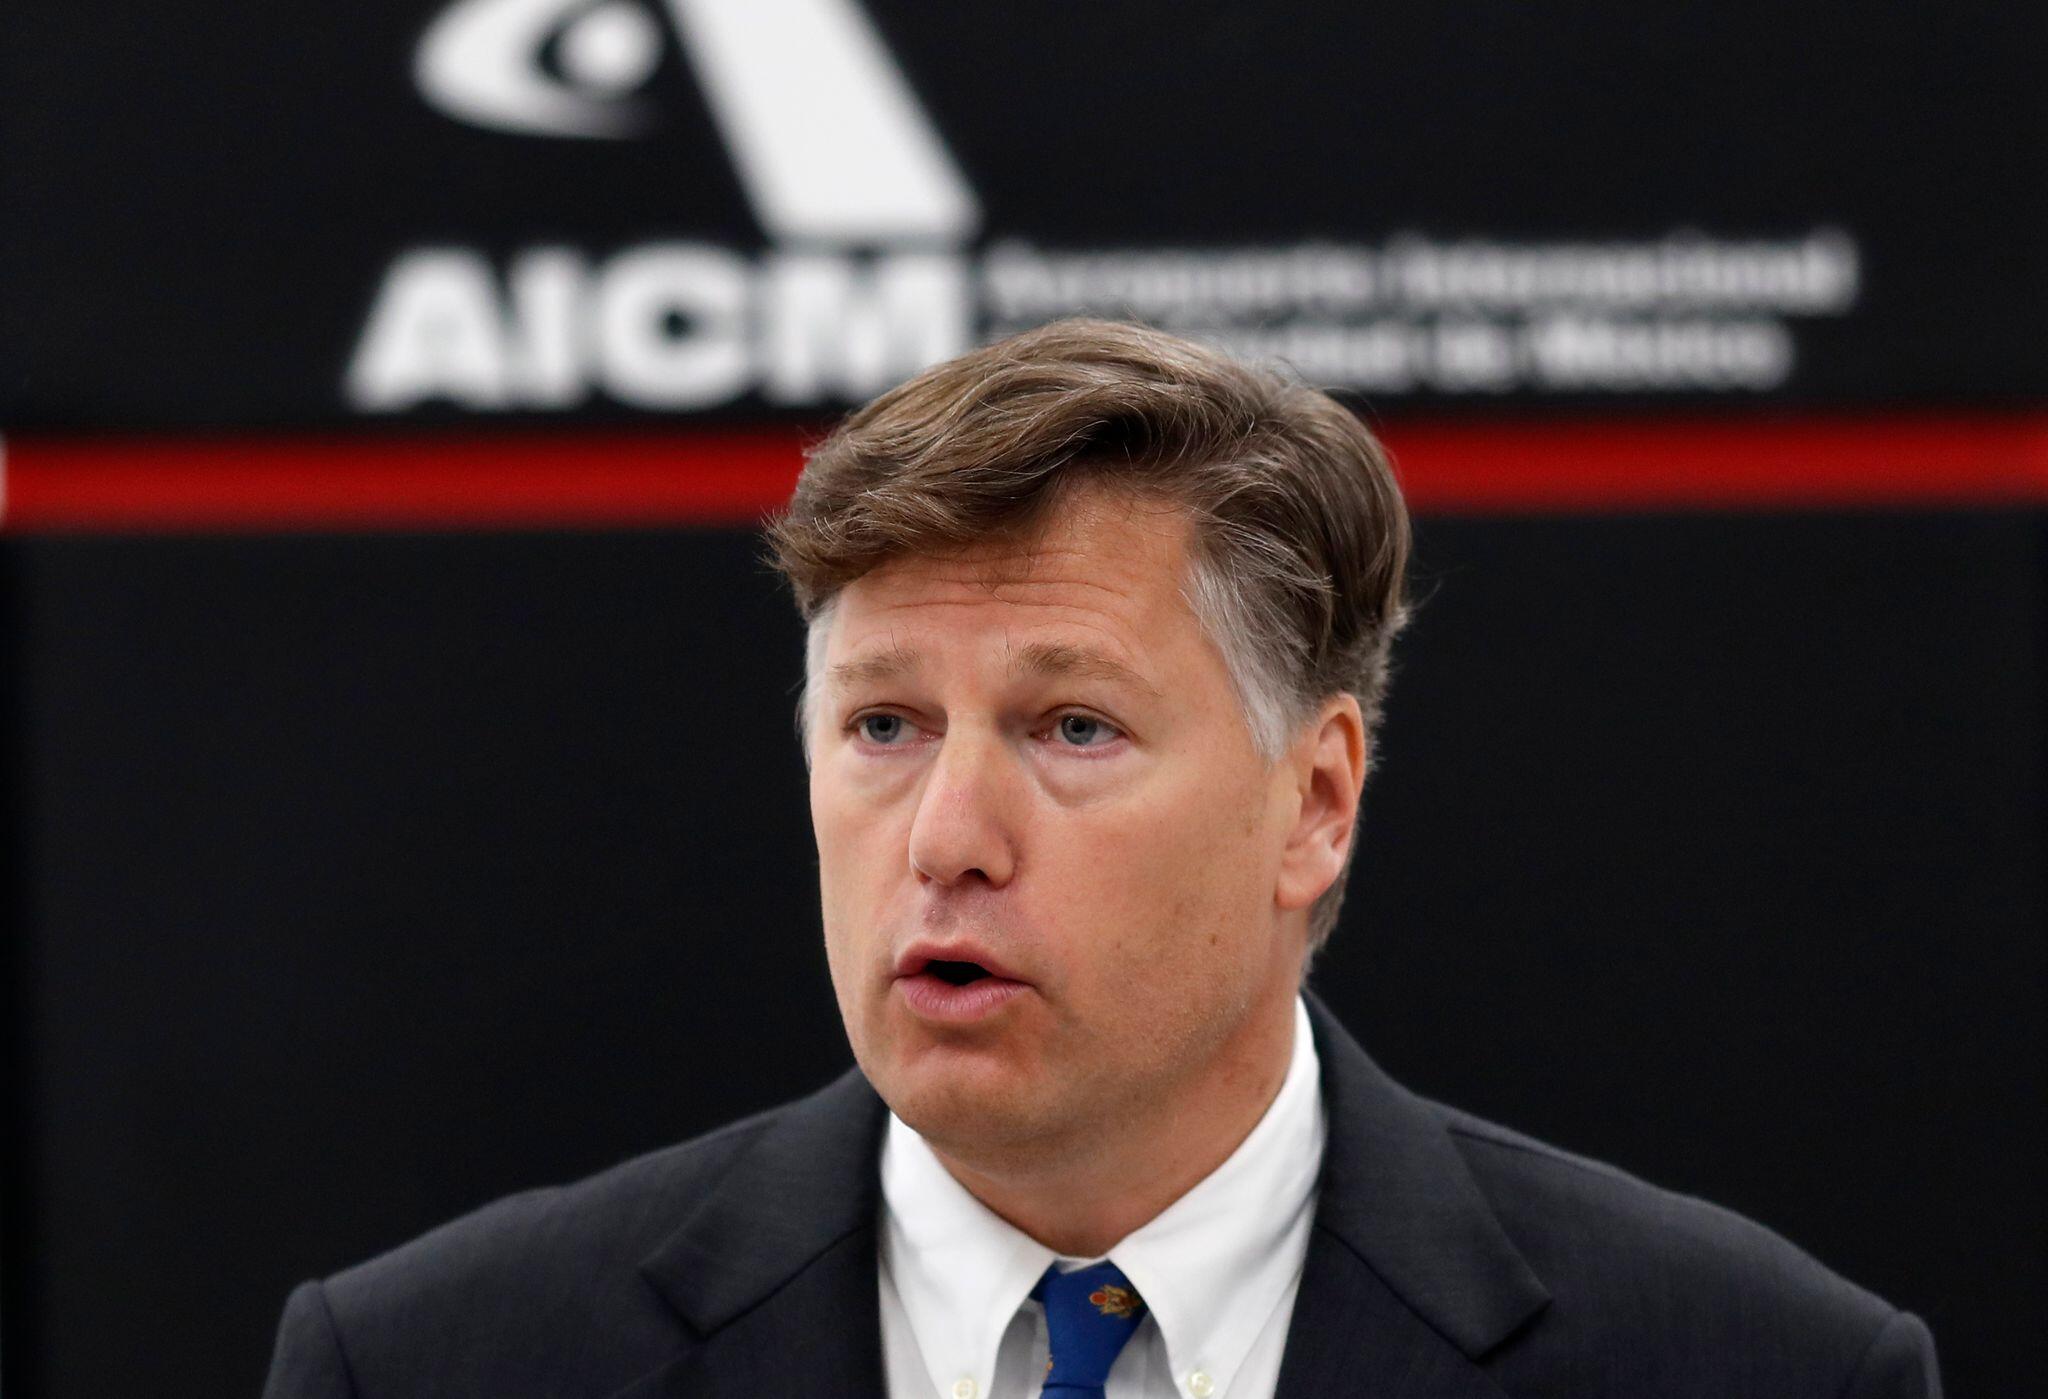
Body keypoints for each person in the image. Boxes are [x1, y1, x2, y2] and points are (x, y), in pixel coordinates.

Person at [262, 320, 1941, 1399]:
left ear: (1316, 803)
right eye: (884, 725)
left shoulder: (1756, 1371)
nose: (946, 839)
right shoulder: (430, 1366)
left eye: (1072, 728)